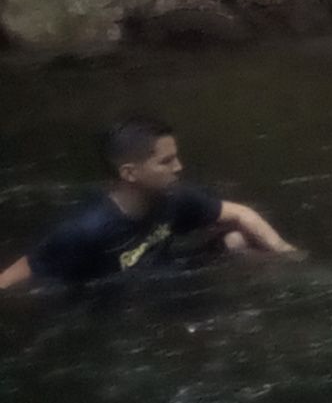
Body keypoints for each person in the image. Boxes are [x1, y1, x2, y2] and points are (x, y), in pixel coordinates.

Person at [0, 115, 297, 291]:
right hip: (111, 304)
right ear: (129, 173)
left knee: (237, 239)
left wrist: (287, 254)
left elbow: (241, 213)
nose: (179, 167)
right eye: (166, 161)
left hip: (163, 278)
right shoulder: (84, 229)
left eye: (176, 158)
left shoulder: (175, 197)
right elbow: (16, 275)